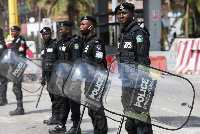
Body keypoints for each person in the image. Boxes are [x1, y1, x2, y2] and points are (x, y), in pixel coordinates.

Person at [115, 3, 153, 134]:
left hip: (137, 83)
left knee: (141, 119)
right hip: (126, 82)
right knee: (130, 120)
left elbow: (143, 60)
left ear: (132, 14)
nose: (121, 16)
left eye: (124, 13)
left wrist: (141, 84)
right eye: (119, 14)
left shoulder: (138, 33)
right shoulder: (123, 34)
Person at [49, 21, 82, 134]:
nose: (59, 31)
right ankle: (61, 125)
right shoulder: (61, 43)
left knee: (74, 104)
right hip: (63, 79)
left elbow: (76, 63)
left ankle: (76, 127)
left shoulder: (74, 44)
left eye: (61, 29)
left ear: (68, 30)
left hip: (73, 80)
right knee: (64, 103)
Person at [80, 16, 108, 134]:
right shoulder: (86, 42)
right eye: (80, 24)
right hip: (88, 80)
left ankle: (102, 131)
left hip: (96, 81)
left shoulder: (96, 43)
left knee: (97, 110)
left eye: (83, 25)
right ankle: (97, 130)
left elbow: (99, 65)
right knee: (91, 110)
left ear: (90, 27)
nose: (81, 27)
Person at [40, 27, 61, 125]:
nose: (45, 36)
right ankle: (54, 115)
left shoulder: (55, 44)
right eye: (43, 34)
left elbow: (60, 60)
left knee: (56, 96)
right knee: (52, 95)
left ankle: (57, 117)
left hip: (55, 74)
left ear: (51, 34)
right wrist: (43, 77)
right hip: (47, 74)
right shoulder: (43, 46)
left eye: (47, 34)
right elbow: (43, 63)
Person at [9, 26, 27, 115]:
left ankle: (20, 108)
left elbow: (21, 54)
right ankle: (19, 107)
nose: (12, 33)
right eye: (11, 31)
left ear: (18, 32)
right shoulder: (14, 41)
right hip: (14, 66)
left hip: (19, 66)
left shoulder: (21, 41)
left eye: (13, 31)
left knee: (16, 87)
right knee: (16, 87)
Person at [0, 28, 8, 106]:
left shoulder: (1, 44)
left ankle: (3, 99)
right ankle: (3, 98)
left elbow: (2, 54)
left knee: (2, 82)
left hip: (2, 66)